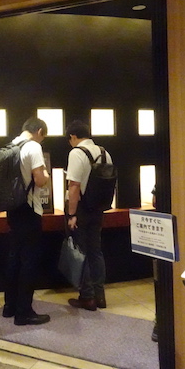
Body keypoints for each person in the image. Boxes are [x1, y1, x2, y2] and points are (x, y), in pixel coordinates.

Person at [2, 117, 51, 325]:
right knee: (29, 261)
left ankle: (9, 306)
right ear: (39, 131)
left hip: (13, 208)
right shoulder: (33, 147)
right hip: (29, 209)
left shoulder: (11, 145)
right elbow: (39, 179)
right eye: (43, 137)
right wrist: (46, 176)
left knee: (14, 257)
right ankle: (24, 312)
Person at [65, 119, 111, 311]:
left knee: (81, 252)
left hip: (82, 209)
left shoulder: (77, 153)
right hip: (98, 208)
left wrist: (71, 214)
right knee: (96, 251)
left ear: (73, 136)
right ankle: (100, 296)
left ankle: (87, 297)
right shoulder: (104, 152)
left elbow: (74, 186)